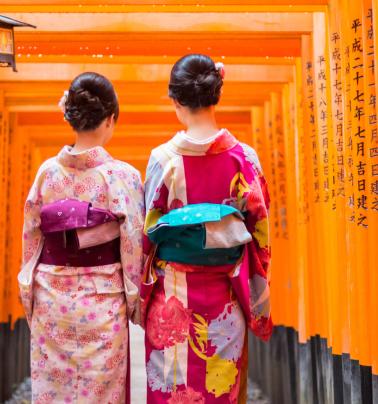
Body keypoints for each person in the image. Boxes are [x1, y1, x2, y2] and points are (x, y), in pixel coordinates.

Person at [140, 55, 272, 404]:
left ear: (175, 100)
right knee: (220, 392)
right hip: (225, 298)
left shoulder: (162, 160)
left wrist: (140, 295)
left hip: (172, 299)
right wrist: (254, 294)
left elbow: (146, 235)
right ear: (217, 93)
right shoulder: (245, 159)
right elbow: (261, 239)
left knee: (172, 390)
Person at [18, 72, 145, 404]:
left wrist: (29, 293)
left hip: (51, 299)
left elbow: (31, 238)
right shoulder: (124, 176)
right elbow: (132, 245)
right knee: (101, 391)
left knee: (53, 391)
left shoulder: (46, 173)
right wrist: (135, 303)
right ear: (111, 118)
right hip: (102, 300)